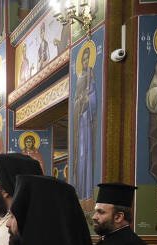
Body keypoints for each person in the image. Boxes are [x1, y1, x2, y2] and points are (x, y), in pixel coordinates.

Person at [73, 45, 97, 200]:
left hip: (87, 120)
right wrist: (79, 101)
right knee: (80, 156)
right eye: (84, 59)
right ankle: (81, 193)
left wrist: (89, 99)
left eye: (88, 59)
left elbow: (94, 96)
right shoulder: (80, 77)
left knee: (86, 155)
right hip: (80, 121)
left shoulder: (91, 76)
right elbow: (75, 100)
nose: (86, 61)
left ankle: (88, 194)